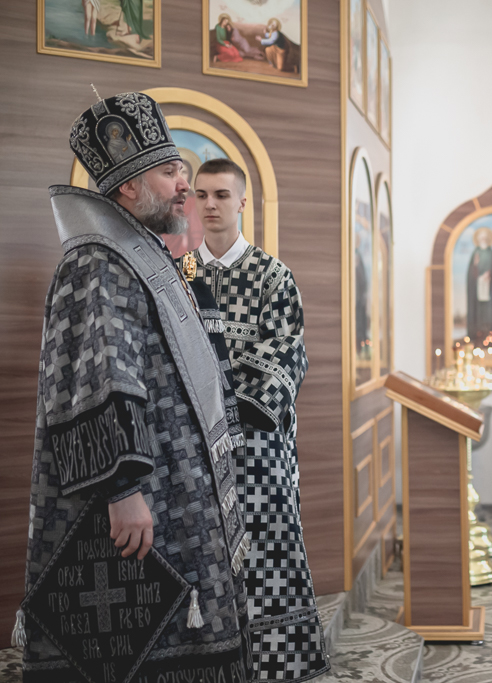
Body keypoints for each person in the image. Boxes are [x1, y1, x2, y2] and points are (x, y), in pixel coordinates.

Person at [18, 92, 253, 681]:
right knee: (139, 641)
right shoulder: (96, 262)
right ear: (129, 186)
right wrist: (122, 490)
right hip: (142, 491)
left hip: (175, 483)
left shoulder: (139, 250)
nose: (185, 186)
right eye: (171, 172)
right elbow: (97, 375)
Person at [188, 159, 329, 681]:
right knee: (204, 555)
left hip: (258, 444)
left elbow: (285, 354)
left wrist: (225, 399)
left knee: (270, 552)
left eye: (222, 195)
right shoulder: (178, 276)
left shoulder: (273, 277)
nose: (210, 204)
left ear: (243, 202)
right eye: (202, 194)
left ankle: (278, 666)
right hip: (194, 446)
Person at [466, 227, 492, 345]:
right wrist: (475, 266)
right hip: (478, 289)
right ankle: (477, 336)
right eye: (482, 238)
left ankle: (490, 336)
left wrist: (490, 274)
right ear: (478, 240)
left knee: (489, 312)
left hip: (490, 288)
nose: (484, 240)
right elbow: (471, 272)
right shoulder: (475, 253)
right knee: (478, 312)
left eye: (486, 238)